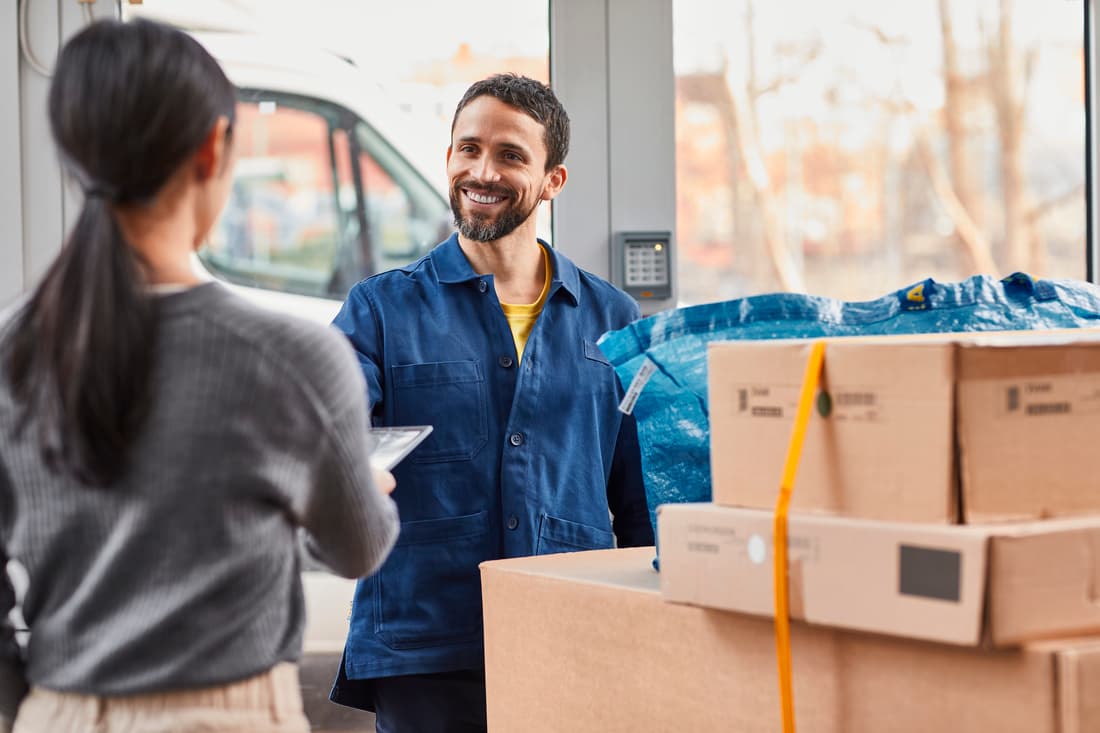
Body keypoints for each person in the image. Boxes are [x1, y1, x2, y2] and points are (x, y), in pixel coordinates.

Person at [0, 18, 399, 733]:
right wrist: (366, 487)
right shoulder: (296, 356)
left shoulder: (13, 351)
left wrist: (39, 705)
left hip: (54, 712)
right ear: (213, 149)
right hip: (226, 716)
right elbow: (358, 548)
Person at [329, 73, 654, 731]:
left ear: (552, 180)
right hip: (426, 644)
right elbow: (326, 441)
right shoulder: (380, 310)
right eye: (467, 148)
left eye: (511, 155)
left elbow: (640, 497)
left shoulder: (615, 320)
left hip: (572, 632)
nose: (483, 170)